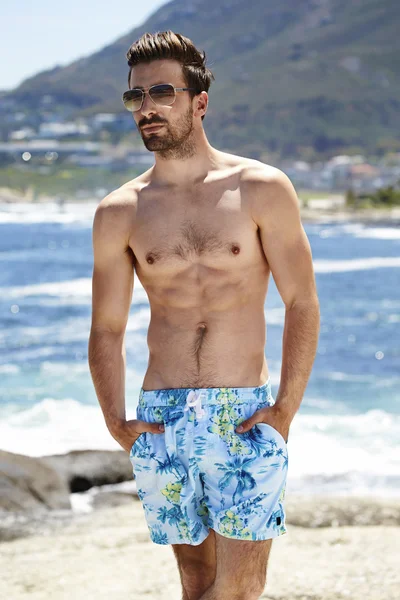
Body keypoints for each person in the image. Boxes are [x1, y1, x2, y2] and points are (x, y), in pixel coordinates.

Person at [88, 30, 320, 600]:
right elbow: (107, 329)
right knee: (196, 582)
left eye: (162, 93)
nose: (146, 108)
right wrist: (116, 422)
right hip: (160, 414)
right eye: (135, 97)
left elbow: (301, 302)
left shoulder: (262, 188)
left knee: (240, 588)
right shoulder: (119, 212)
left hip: (243, 410)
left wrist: (285, 407)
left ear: (199, 101)